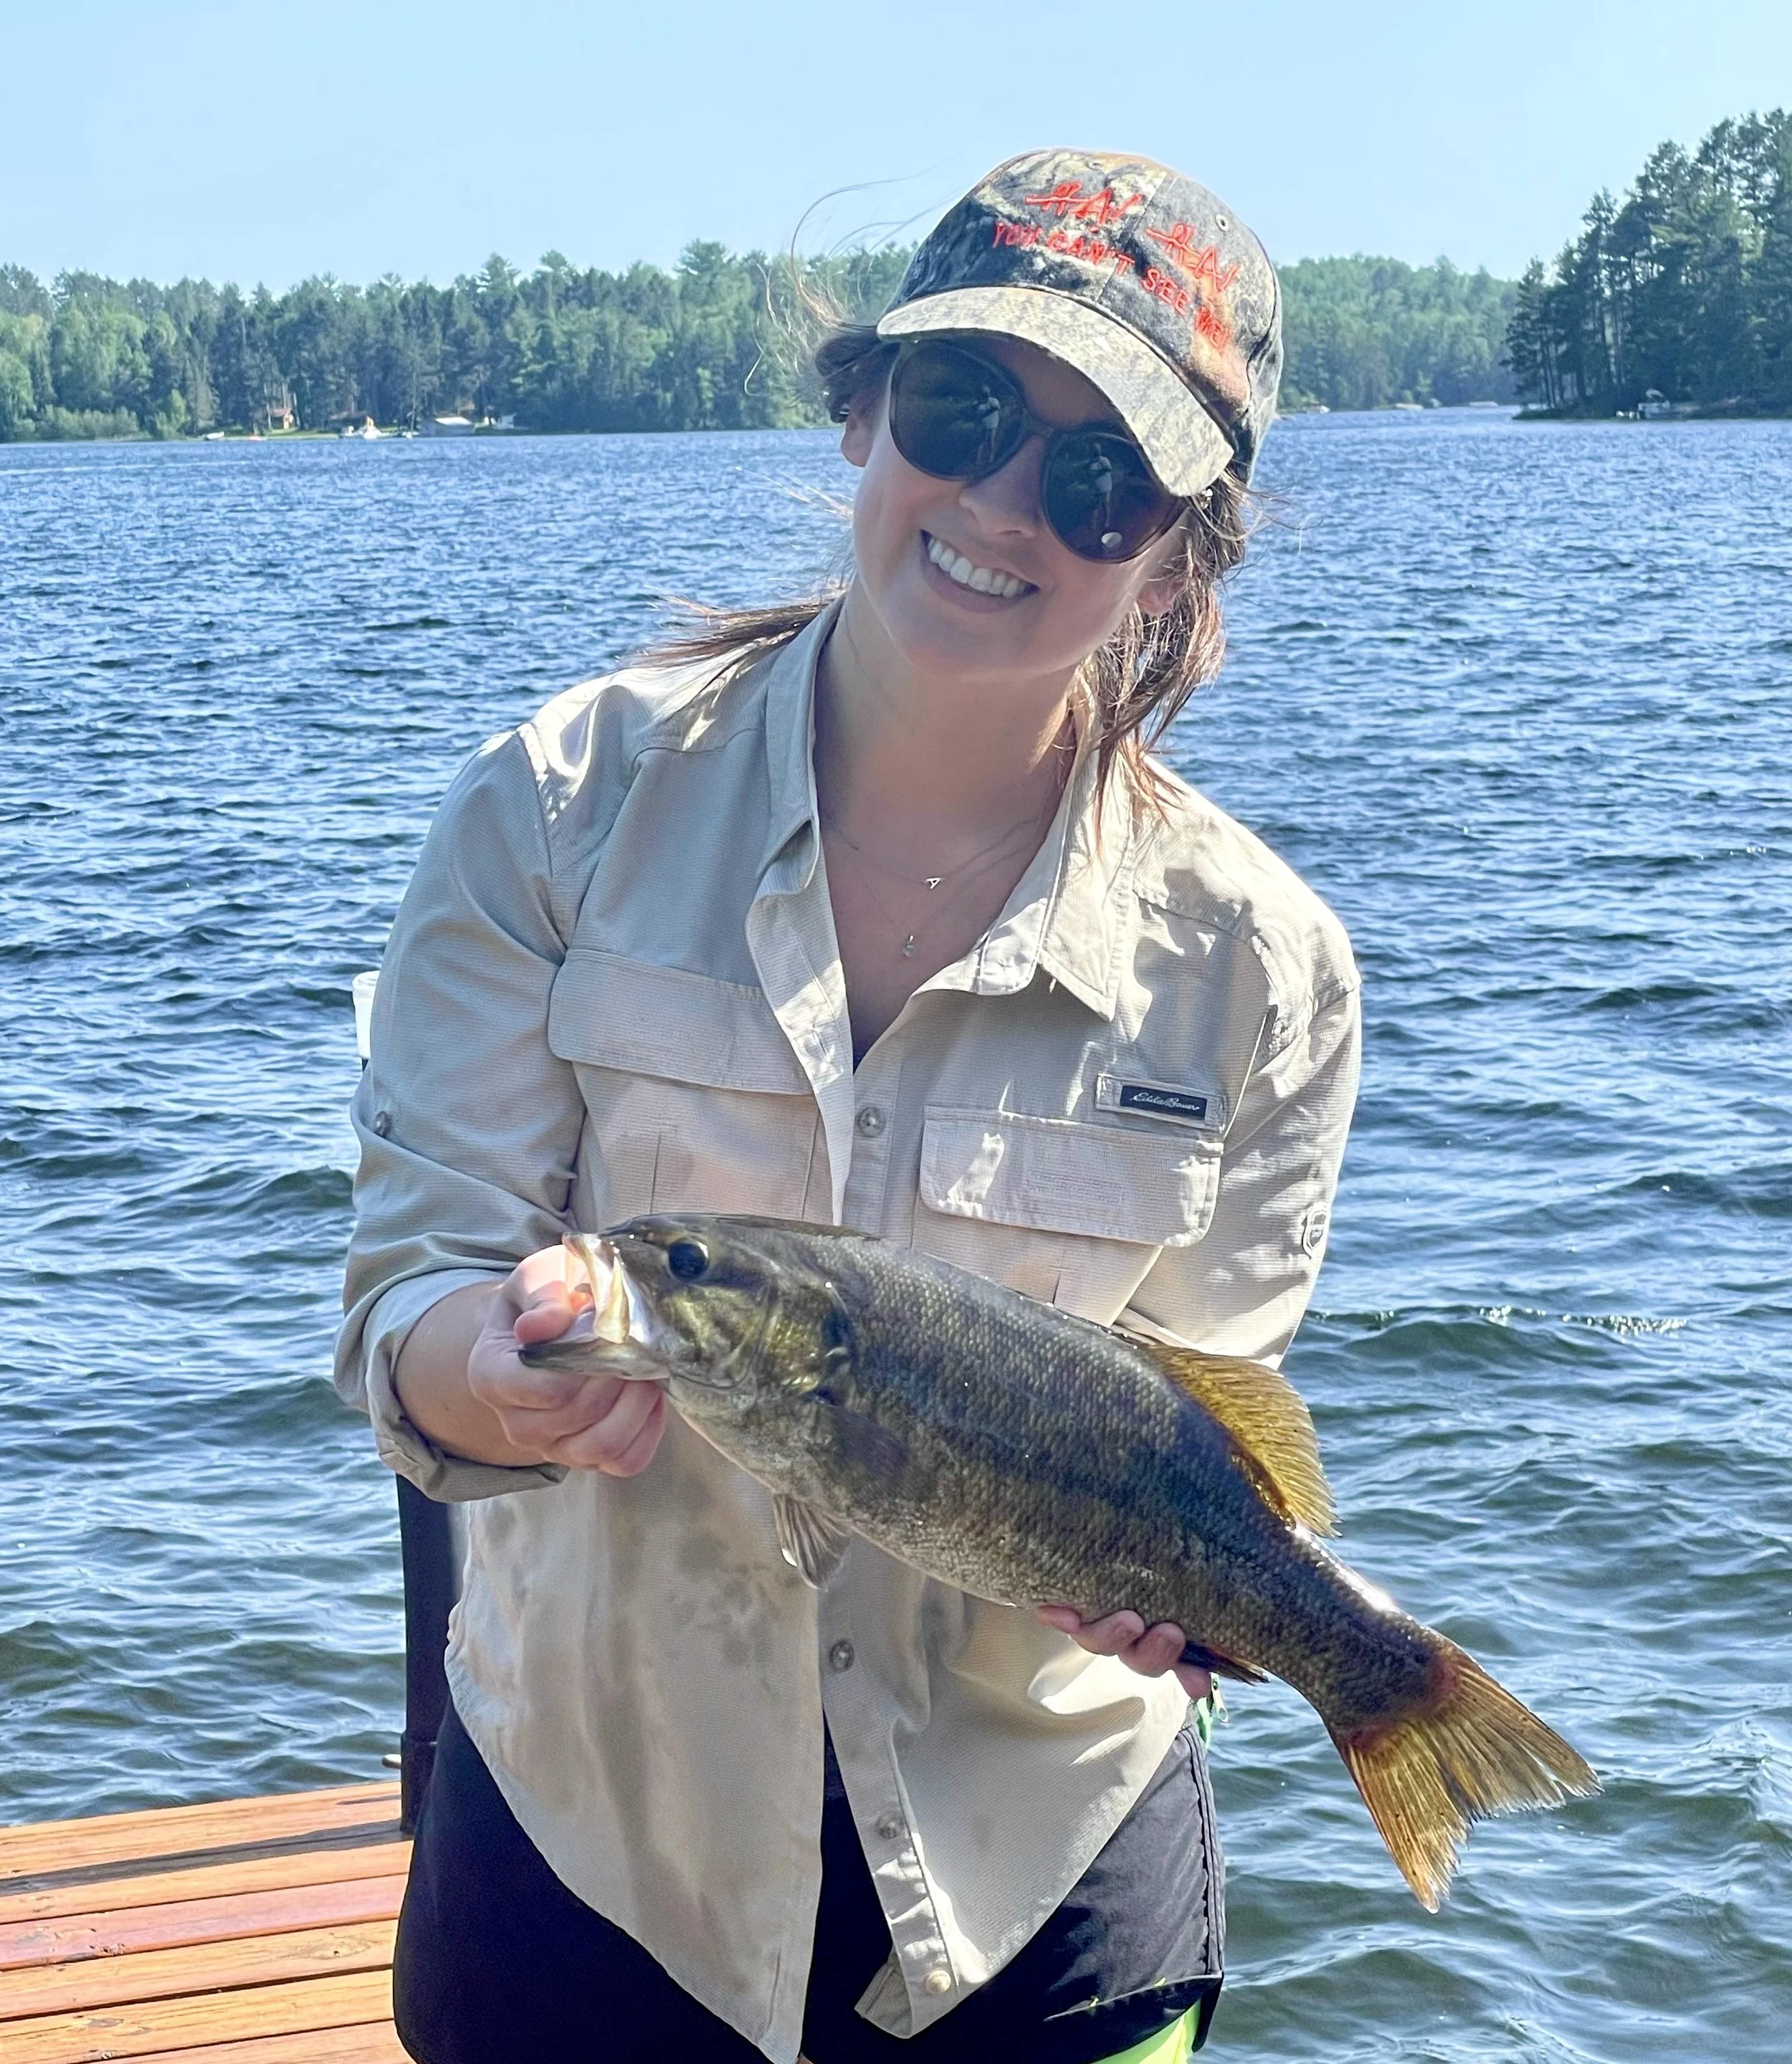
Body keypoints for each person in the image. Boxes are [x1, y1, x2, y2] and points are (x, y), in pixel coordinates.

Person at [337, 148, 1360, 2064]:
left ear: (1179, 541)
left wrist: (1189, 1604)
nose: (1001, 505)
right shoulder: (556, 810)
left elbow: (1208, 1418)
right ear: (861, 409)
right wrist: (497, 1367)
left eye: (1097, 470)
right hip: (590, 1834)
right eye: (962, 414)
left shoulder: (1265, 968)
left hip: (1038, 1877)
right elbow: (407, 1298)